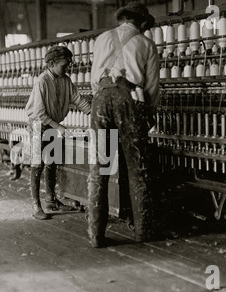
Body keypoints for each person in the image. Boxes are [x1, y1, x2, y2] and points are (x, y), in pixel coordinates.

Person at [88, 1, 160, 247]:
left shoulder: (101, 39)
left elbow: (93, 80)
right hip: (128, 101)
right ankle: (142, 233)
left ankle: (96, 235)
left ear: (122, 19)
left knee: (100, 169)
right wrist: (147, 115)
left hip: (100, 100)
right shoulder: (146, 44)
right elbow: (151, 88)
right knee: (137, 168)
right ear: (141, 23)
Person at [25, 45, 91, 220]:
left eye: (68, 64)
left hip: (53, 125)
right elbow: (39, 113)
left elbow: (78, 100)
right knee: (37, 164)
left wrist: (93, 114)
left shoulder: (65, 80)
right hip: (38, 125)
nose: (67, 67)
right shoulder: (42, 81)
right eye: (64, 64)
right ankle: (36, 206)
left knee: (52, 161)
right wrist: (58, 127)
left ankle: (51, 200)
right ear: (52, 64)